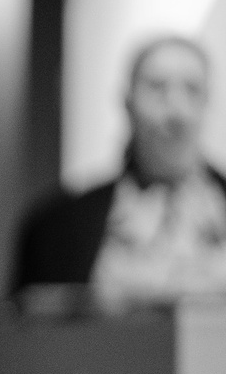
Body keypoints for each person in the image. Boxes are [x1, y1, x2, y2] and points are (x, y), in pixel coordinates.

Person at [11, 35, 226, 307]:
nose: (176, 111)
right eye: (157, 88)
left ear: (209, 103)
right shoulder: (58, 225)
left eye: (192, 90)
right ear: (128, 101)